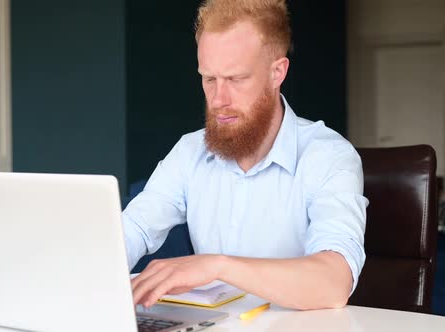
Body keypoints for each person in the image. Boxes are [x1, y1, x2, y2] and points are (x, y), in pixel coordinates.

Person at [123, 0, 367, 311]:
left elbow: (334, 284)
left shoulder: (329, 157)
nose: (218, 100)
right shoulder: (189, 152)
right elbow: (135, 229)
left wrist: (218, 266)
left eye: (236, 79)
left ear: (277, 72)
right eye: (209, 79)